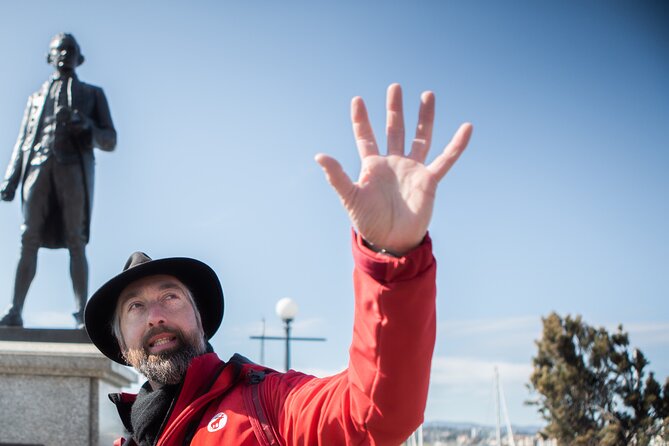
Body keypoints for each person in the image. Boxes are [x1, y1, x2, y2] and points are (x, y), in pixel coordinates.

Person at [84, 84, 472, 445]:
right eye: (135, 307)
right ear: (121, 343)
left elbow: (371, 413)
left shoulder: (266, 404)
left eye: (170, 296)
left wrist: (390, 260)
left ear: (200, 317)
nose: (155, 316)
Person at [0, 33, 117, 328]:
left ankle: (82, 316)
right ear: (49, 57)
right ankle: (14, 311)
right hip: (37, 167)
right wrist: (10, 179)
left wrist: (86, 126)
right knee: (28, 238)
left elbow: (110, 139)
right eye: (59, 50)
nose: (64, 54)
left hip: (72, 170)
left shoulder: (92, 95)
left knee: (76, 240)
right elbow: (23, 140)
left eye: (70, 50)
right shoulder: (35, 98)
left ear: (80, 58)